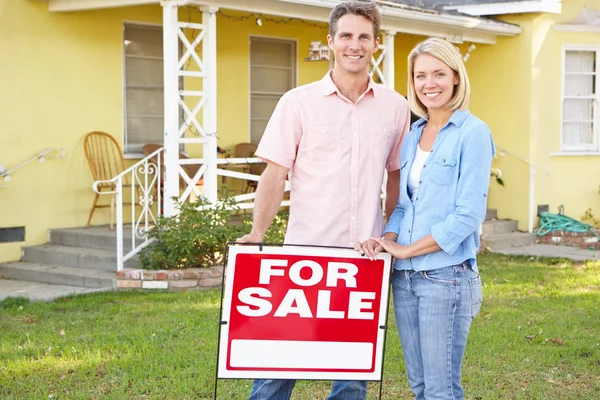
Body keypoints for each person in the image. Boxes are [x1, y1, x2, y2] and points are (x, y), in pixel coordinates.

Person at [235, 2, 411, 399]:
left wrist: (387, 234)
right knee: (276, 371)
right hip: (303, 259)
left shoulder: (396, 107)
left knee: (351, 376)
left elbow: (395, 176)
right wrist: (256, 232)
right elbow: (274, 174)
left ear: (376, 44)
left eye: (363, 37)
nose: (355, 45)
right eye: (346, 36)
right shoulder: (298, 102)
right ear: (330, 42)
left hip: (364, 262)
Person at [357, 37, 495, 399]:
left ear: (455, 78)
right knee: (420, 387)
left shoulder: (473, 133)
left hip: (446, 277)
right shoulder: (413, 135)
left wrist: (407, 250)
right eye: (420, 75)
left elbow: (467, 215)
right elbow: (404, 205)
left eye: (438, 74)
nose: (428, 83)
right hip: (405, 281)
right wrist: (387, 238)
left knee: (439, 390)